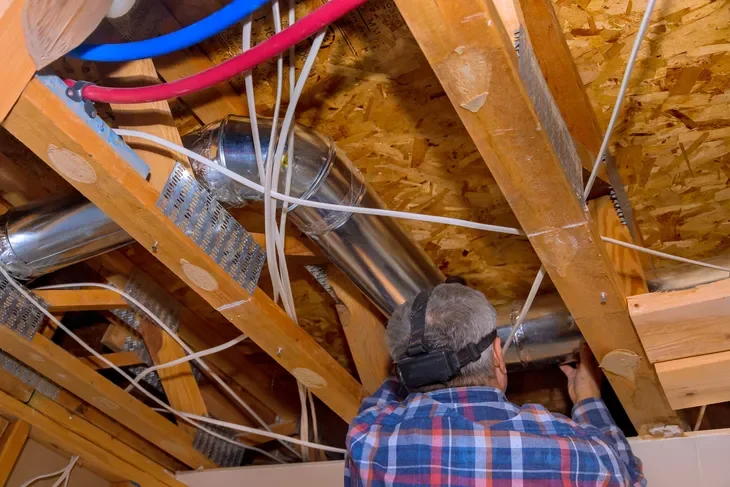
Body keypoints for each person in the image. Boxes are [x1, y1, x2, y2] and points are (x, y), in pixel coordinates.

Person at [345, 283, 645, 486]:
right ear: (498, 354)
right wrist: (588, 399)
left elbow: (382, 398)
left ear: (402, 370)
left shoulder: (368, 442)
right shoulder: (581, 452)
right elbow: (630, 475)